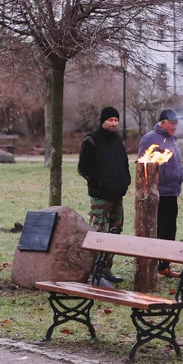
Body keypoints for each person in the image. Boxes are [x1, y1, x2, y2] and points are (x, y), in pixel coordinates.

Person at [78, 106, 130, 283]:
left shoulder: (118, 141)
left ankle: (107, 269)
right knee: (99, 232)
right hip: (100, 196)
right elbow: (83, 168)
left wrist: (126, 180)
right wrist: (97, 182)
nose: (114, 123)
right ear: (103, 121)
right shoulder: (91, 140)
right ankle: (95, 271)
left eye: (116, 120)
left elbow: (124, 164)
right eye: (110, 120)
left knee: (115, 231)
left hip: (118, 195)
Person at [138, 108, 183, 277]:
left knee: (170, 231)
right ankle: (154, 267)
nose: (175, 126)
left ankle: (165, 266)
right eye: (172, 123)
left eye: (176, 124)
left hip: (172, 193)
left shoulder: (172, 140)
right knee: (158, 230)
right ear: (162, 122)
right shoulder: (150, 139)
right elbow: (141, 165)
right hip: (158, 194)